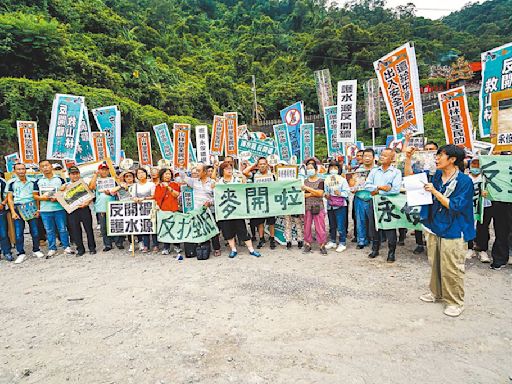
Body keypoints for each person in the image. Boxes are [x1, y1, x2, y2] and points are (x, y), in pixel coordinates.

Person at [406, 144, 475, 317]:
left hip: (455, 228)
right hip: (435, 225)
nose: (436, 159)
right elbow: (410, 178)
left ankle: (455, 302)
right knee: (435, 263)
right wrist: (407, 158)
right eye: (437, 156)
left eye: (440, 156)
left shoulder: (464, 181)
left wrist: (435, 192)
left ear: (452, 160)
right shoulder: (437, 174)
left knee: (452, 267)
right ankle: (436, 293)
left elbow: (454, 206)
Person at [215, 162, 261, 258]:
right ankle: (233, 249)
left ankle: (251, 249)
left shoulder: (237, 180)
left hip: (237, 210)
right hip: (225, 211)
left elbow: (243, 189)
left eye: (230, 168)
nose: (229, 170)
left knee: (242, 229)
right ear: (222, 171)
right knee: (228, 231)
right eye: (226, 168)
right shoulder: (219, 183)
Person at [364, 148, 402, 263]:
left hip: (389, 202)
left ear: (392, 159)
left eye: (385, 156)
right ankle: (375, 249)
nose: (382, 157)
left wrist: (378, 190)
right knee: (373, 226)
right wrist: (382, 187)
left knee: (390, 227)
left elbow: (395, 189)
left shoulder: (396, 172)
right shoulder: (374, 171)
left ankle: (391, 252)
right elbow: (367, 185)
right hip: (374, 201)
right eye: (381, 155)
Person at [33, 159, 74, 258]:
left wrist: (57, 198)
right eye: (42, 166)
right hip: (45, 210)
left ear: (51, 166)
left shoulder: (60, 179)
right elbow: (35, 196)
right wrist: (43, 198)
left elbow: (66, 193)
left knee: (62, 229)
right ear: (40, 169)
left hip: (59, 208)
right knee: (49, 230)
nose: (45, 168)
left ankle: (66, 246)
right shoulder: (38, 181)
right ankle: (52, 248)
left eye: (47, 165)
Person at [181, 163, 221, 256]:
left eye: (198, 171)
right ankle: (204, 247)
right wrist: (182, 167)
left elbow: (217, 196)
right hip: (197, 211)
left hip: (209, 211)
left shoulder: (212, 182)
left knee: (213, 229)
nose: (196, 172)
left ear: (205, 172)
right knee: (200, 229)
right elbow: (183, 176)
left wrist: (210, 202)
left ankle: (217, 248)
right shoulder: (194, 182)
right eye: (196, 170)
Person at [7, 163, 44, 263]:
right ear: (14, 171)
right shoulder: (11, 183)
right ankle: (21, 253)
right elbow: (10, 199)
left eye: (23, 169)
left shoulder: (33, 181)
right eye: (18, 169)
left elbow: (37, 197)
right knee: (19, 233)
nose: (21, 171)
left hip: (31, 207)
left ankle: (36, 249)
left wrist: (38, 209)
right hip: (18, 207)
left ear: (26, 170)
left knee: (35, 231)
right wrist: (13, 212)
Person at [89, 162, 124, 252]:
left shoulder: (113, 179)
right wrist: (95, 175)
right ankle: (107, 244)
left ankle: (118, 242)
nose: (104, 171)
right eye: (102, 169)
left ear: (108, 171)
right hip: (101, 207)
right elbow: (91, 187)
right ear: (99, 170)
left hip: (113, 205)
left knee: (115, 224)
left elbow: (120, 189)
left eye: (106, 170)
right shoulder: (96, 180)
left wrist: (112, 191)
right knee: (104, 227)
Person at [243, 157, 277, 249]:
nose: (262, 166)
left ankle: (272, 239)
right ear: (258, 165)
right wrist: (254, 165)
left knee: (271, 222)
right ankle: (261, 239)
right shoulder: (254, 175)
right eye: (260, 164)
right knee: (260, 222)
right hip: (259, 202)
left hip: (270, 201)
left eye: (264, 164)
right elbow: (245, 172)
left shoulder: (272, 175)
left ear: (267, 164)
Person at [63, 166, 96, 256]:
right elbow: (61, 197)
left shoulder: (84, 183)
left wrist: (87, 203)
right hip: (72, 211)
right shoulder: (65, 186)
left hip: (84, 208)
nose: (75, 176)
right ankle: (80, 249)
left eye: (77, 174)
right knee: (76, 230)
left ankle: (92, 248)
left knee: (89, 229)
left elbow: (91, 195)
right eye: (73, 174)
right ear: (69, 175)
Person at [350, 148, 376, 249]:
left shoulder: (377, 170)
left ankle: (374, 241)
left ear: (374, 157)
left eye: (370, 156)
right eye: (365, 156)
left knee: (373, 221)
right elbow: (352, 184)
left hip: (372, 198)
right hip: (360, 197)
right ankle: (361, 240)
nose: (367, 158)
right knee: (360, 220)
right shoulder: (358, 170)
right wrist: (353, 185)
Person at [324, 161, 350, 253]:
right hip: (330, 205)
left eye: (335, 168)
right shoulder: (327, 179)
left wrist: (340, 193)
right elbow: (325, 191)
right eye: (331, 168)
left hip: (340, 205)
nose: (333, 170)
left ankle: (342, 242)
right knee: (332, 224)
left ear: (339, 169)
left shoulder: (342, 180)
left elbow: (347, 192)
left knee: (340, 225)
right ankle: (333, 240)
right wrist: (326, 195)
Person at [302, 160, 327, 254]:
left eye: (311, 168)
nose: (309, 170)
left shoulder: (321, 181)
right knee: (307, 227)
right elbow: (303, 195)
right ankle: (307, 244)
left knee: (320, 227)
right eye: (308, 169)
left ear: (316, 170)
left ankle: (322, 245)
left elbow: (320, 193)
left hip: (318, 207)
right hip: (307, 207)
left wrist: (308, 189)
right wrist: (314, 193)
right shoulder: (304, 181)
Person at [153, 168, 180, 255]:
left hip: (173, 209)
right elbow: (156, 198)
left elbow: (176, 195)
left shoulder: (175, 184)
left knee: (175, 228)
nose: (168, 176)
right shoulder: (158, 186)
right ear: (161, 175)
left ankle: (177, 245)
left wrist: (168, 187)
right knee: (165, 229)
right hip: (163, 210)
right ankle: (166, 247)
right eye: (165, 174)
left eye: (169, 174)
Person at [131, 168, 156, 253]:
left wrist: (144, 198)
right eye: (139, 173)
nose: (141, 174)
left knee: (153, 225)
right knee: (144, 226)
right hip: (140, 208)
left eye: (142, 172)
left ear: (146, 174)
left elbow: (154, 195)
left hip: (150, 207)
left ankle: (155, 245)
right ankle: (146, 245)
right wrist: (135, 199)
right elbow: (133, 196)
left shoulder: (151, 184)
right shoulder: (135, 185)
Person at [0, 175, 14, 262]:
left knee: (3, 233)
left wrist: (3, 204)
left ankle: (7, 252)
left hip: (1, 210)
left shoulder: (1, 181)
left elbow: (7, 194)